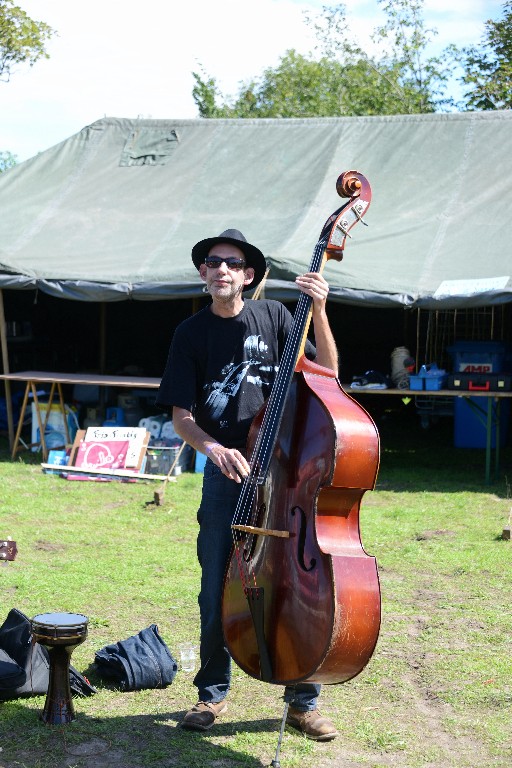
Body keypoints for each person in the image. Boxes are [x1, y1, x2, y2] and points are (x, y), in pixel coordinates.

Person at [156, 229, 339, 741]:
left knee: (297, 582)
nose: (221, 270)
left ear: (248, 275)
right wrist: (212, 447)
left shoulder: (277, 316)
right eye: (212, 262)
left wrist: (319, 311)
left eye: (232, 264)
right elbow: (181, 416)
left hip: (284, 471)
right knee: (216, 581)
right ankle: (211, 693)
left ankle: (303, 701)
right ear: (202, 273)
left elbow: (327, 373)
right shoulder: (190, 334)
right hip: (225, 474)